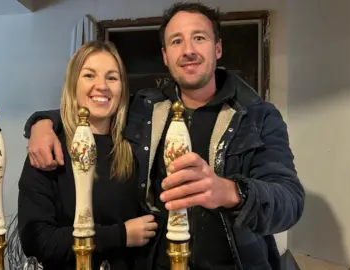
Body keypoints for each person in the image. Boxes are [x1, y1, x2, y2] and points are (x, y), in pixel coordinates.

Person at [22, 2, 305, 270]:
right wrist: (42, 124)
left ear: (218, 48)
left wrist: (231, 192)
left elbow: (290, 201)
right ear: (165, 55)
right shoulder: (146, 107)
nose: (188, 50)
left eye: (199, 38)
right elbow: (95, 105)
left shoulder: (259, 115)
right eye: (176, 41)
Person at [17, 40, 158, 270]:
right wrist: (121, 235)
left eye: (112, 77)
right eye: (89, 75)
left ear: (122, 89)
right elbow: (37, 241)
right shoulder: (49, 149)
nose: (102, 86)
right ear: (73, 84)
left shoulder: (134, 148)